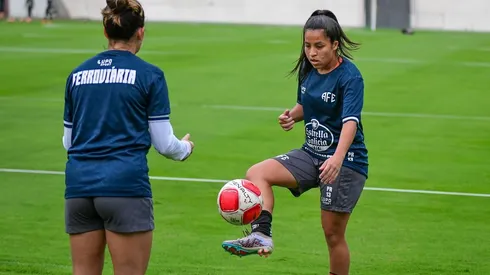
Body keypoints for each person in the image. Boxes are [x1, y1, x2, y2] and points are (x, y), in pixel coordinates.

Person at [221, 9, 368, 275]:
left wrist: (336, 158)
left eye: (319, 46)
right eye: (308, 45)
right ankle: (261, 234)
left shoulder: (350, 76)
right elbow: (305, 104)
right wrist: (292, 116)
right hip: (311, 154)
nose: (312, 53)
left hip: (346, 161)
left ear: (335, 45)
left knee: (332, 234)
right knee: (257, 173)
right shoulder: (307, 69)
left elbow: (350, 122)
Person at [61, 0, 194, 274]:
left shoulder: (77, 75)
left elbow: (68, 142)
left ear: (105, 31)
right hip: (124, 186)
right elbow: (164, 144)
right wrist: (186, 148)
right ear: (141, 33)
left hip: (78, 188)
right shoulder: (150, 75)